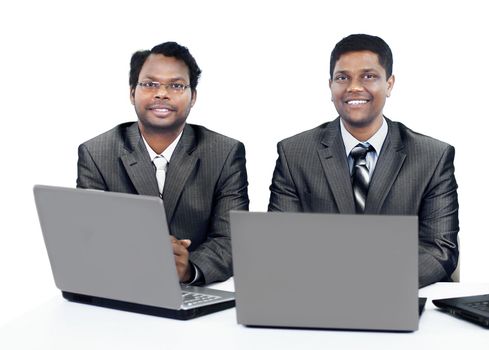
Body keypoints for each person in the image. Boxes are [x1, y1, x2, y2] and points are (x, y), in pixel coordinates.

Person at [268, 34, 458, 288]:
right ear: (330, 85)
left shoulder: (433, 156)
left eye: (368, 76)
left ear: (389, 84)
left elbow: (439, 249)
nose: (354, 87)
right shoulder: (294, 153)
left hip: (397, 293)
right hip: (320, 293)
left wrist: (370, 281)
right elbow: (281, 243)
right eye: (342, 77)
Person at [77, 42, 249, 285]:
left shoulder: (224, 153)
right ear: (131, 93)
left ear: (193, 97)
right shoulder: (97, 153)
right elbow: (89, 236)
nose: (162, 93)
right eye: (150, 84)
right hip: (123, 285)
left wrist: (188, 269)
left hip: (195, 292)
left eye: (176, 85)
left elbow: (231, 239)